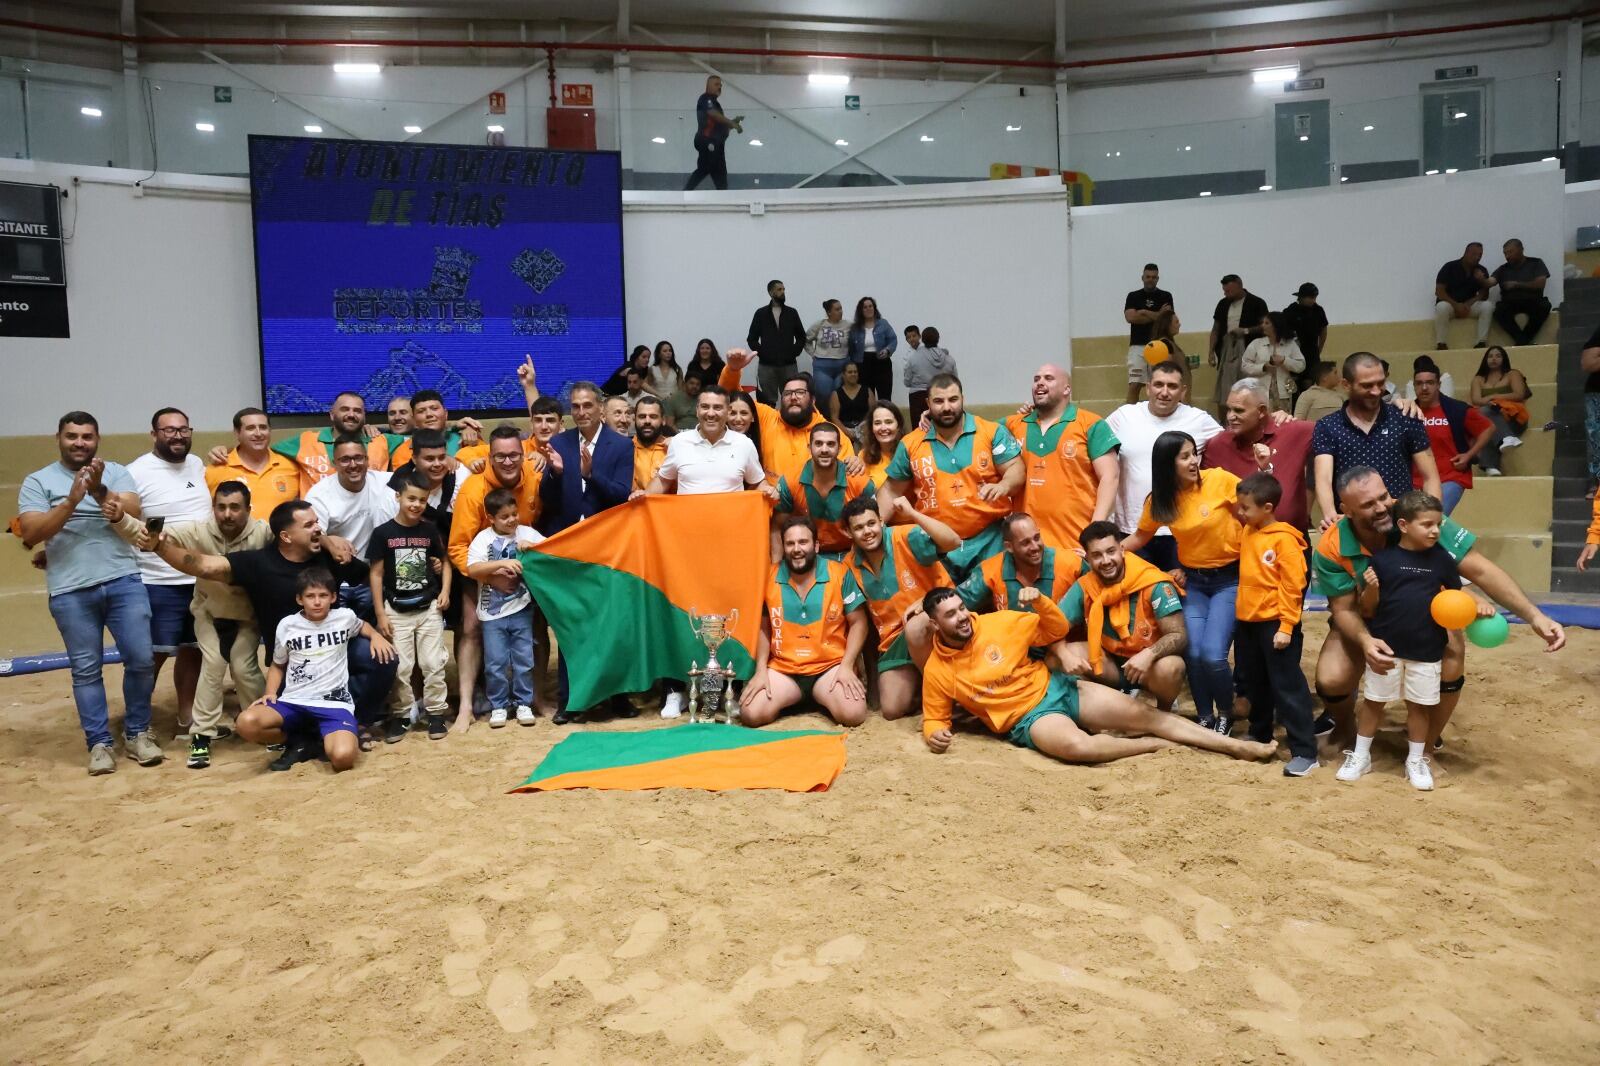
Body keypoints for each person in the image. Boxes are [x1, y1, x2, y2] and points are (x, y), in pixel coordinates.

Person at [1311, 465, 1565, 754]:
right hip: (1367, 618)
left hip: (1424, 616)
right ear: (1346, 510)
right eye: (1368, 505)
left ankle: (1426, 748)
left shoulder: (1419, 516)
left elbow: (1481, 570)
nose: (1381, 508)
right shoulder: (1332, 545)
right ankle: (1345, 727)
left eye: (1383, 496)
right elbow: (1344, 610)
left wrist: (1535, 616)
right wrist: (1366, 641)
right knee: (1331, 679)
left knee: (1452, 656)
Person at [151, 500, 399, 768]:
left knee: (382, 657)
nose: (318, 529)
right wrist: (159, 546)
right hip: (291, 668)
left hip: (337, 649)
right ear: (286, 536)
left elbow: (372, 577)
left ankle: (356, 722)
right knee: (254, 721)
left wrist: (378, 624)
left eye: (317, 522)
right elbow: (203, 566)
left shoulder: (329, 557)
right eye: (309, 525)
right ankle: (306, 738)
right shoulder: (259, 563)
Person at [919, 586, 1275, 764]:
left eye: (961, 608)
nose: (962, 617)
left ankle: (1238, 747)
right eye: (950, 615)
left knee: (1147, 715)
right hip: (1029, 718)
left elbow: (1057, 628)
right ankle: (1153, 745)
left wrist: (1040, 601)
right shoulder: (937, 670)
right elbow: (935, 717)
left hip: (1059, 688)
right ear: (935, 625)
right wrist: (935, 734)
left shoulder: (999, 622)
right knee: (1079, 747)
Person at [18, 412, 158, 774]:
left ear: (97, 439)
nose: (79, 442)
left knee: (142, 659)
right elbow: (30, 533)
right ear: (58, 438)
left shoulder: (116, 472)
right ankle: (99, 743)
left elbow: (134, 510)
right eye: (72, 436)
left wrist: (98, 490)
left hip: (124, 581)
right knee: (86, 670)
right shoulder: (38, 481)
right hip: (70, 590)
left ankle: (138, 733)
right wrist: (70, 501)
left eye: (86, 436)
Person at [1341, 490, 1493, 791]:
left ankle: (1416, 760)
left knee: (1419, 706)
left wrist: (1477, 603)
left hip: (1427, 649)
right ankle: (1360, 756)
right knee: (1374, 702)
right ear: (1403, 525)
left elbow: (1455, 596)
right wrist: (1371, 588)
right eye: (1427, 525)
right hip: (1386, 648)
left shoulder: (1442, 561)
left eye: (1438, 524)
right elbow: (1368, 609)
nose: (1435, 531)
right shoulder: (1382, 560)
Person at [135, 480, 270, 769]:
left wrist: (327, 541)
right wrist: (134, 527)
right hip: (208, 613)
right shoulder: (198, 530)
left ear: (248, 509)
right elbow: (154, 535)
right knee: (213, 665)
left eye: (235, 507)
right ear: (213, 508)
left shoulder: (264, 532)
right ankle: (201, 736)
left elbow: (295, 538)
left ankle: (263, 724)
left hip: (247, 618)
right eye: (221, 507)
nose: (227, 514)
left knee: (244, 668)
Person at [1122, 432, 1243, 731]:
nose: (1194, 461)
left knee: (1213, 655)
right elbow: (1140, 537)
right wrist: (1106, 552)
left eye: (1194, 453)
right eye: (1184, 456)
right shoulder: (1161, 500)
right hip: (1195, 584)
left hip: (1229, 579)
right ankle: (1205, 716)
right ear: (1167, 463)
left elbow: (1254, 513)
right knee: (1193, 653)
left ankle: (1226, 712)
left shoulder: (1220, 480)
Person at [238, 568, 394, 774]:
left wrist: (375, 636)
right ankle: (299, 741)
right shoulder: (287, 625)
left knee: (343, 758)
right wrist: (270, 693)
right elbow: (278, 664)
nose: (317, 602)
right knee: (246, 723)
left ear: (333, 597)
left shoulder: (344, 617)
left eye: (323, 595)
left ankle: (323, 738)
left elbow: (362, 625)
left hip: (333, 704)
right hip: (294, 701)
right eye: (310, 596)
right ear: (299, 599)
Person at [450, 425, 548, 729]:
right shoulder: (472, 490)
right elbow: (457, 547)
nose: (508, 462)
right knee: (470, 627)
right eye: (500, 456)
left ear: (523, 454)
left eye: (514, 455)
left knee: (537, 626)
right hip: (479, 566)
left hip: (523, 569)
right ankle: (466, 706)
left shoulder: (534, 476)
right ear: (489, 457)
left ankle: (536, 697)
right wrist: (490, 577)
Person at [880, 373, 1024, 577]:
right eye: (939, 401)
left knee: (995, 595)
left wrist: (1004, 485)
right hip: (937, 545)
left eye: (953, 399)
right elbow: (890, 491)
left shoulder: (991, 432)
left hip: (990, 541)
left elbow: (1016, 467)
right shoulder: (910, 444)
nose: (947, 407)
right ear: (928, 404)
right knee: (941, 598)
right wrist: (875, 524)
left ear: (963, 399)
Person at [740, 516, 871, 727]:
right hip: (785, 669)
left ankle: (819, 697)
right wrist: (761, 670)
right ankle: (798, 698)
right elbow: (764, 628)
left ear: (816, 546)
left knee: (853, 714)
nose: (796, 549)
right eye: (790, 543)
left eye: (803, 542)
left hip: (829, 667)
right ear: (784, 547)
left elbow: (859, 623)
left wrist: (847, 666)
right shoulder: (769, 577)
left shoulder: (839, 573)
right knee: (751, 714)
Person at [127, 406, 212, 732]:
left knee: (193, 650)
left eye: (183, 429)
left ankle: (186, 715)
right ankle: (137, 723)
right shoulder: (136, 472)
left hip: (200, 579)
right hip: (157, 581)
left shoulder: (197, 464)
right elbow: (123, 524)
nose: (178, 436)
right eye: (169, 430)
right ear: (154, 434)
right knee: (151, 656)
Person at [839, 495, 961, 720]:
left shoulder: (904, 536)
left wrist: (913, 514)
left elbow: (953, 541)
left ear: (881, 521)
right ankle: (926, 687)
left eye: (871, 523)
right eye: (858, 528)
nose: (867, 531)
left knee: (916, 625)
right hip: (893, 639)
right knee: (891, 710)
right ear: (848, 533)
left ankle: (940, 694)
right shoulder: (849, 564)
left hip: (933, 621)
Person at [1232, 472, 1317, 776]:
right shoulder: (1248, 532)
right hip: (1248, 622)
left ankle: (1305, 751)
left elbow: (1293, 587)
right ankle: (1259, 733)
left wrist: (1286, 627)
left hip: (1276, 625)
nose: (1240, 512)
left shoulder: (1285, 540)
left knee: (1287, 687)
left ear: (1267, 507)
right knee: (1256, 682)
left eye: (1246, 508)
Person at [1105, 360, 1224, 570]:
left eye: (1172, 386)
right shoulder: (1123, 416)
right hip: (1132, 528)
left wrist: (1278, 420)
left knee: (1178, 589)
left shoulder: (1199, 420)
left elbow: (1234, 443)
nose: (1164, 392)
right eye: (1159, 384)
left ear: (1183, 391)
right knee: (1138, 590)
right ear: (1148, 387)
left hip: (1180, 529)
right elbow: (1089, 443)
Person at [1058, 522, 1188, 713]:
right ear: (1088, 559)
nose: (1106, 560)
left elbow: (1179, 635)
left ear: (1122, 549)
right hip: (1110, 663)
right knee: (1059, 658)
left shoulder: (1153, 582)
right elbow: (1054, 627)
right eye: (1097, 555)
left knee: (1172, 667)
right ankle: (1103, 708)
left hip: (1149, 667)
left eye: (1111, 551)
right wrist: (1063, 654)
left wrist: (1149, 654)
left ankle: (1164, 711)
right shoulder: (1085, 586)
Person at [369, 471, 452, 743]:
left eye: (422, 500)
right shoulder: (383, 533)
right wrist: (380, 614)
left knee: (433, 663)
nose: (416, 505)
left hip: (428, 607)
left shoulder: (429, 531)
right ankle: (402, 715)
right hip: (395, 609)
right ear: (398, 497)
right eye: (411, 499)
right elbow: (376, 574)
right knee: (401, 667)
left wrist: (445, 591)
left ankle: (436, 713)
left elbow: (445, 562)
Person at [1313, 352, 1441, 527]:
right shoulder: (1328, 426)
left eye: (1380, 383)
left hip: (1401, 525)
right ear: (1346, 385)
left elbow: (1430, 477)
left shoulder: (1406, 418)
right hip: (1354, 526)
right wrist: (1330, 516)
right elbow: (1323, 479)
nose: (1376, 391)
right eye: (1367, 385)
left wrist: (1432, 519)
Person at [1006, 363, 1120, 552]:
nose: (1040, 382)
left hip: (1074, 543)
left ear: (1067, 389)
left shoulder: (1091, 424)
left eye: (1048, 378)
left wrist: (1094, 535)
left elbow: (1110, 478)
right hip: (1028, 547)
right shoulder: (1012, 424)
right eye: (1036, 379)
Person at [465, 489, 545, 729]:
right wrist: (501, 563)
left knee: (524, 659)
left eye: (514, 514)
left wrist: (532, 546)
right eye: (504, 517)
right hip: (492, 615)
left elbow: (551, 549)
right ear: (491, 518)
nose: (512, 520)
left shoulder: (526, 532)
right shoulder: (483, 539)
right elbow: (473, 569)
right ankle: (499, 705)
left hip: (522, 610)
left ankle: (523, 703)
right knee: (495, 662)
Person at [718, 352, 857, 488]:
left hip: (812, 501)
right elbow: (730, 398)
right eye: (787, 393)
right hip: (769, 498)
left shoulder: (831, 433)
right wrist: (733, 370)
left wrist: (854, 463)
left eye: (800, 392)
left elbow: (844, 480)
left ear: (813, 400)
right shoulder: (767, 418)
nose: (793, 397)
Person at [1204, 378, 1314, 534]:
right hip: (1239, 543)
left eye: (1239, 410)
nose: (1230, 416)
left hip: (1291, 541)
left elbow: (1336, 432)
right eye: (1229, 409)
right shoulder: (1217, 445)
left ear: (1262, 411)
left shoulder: (1293, 431)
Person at [541, 380, 633, 534]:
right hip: (564, 532)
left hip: (605, 531)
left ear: (601, 408)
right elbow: (546, 498)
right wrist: (555, 473)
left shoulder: (622, 445)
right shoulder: (558, 443)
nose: (581, 412)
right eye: (576, 406)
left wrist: (591, 476)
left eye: (587, 405)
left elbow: (622, 495)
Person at [1410, 357, 1496, 513]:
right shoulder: (1407, 413)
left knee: (1433, 515)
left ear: (1438, 385)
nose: (1424, 388)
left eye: (1430, 383)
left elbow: (1488, 428)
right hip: (1415, 480)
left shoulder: (1457, 409)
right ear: (1414, 386)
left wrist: (1469, 455)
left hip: (1450, 476)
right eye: (1419, 383)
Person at [270, 392, 399, 496]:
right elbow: (264, 449)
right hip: (317, 516)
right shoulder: (306, 441)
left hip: (368, 515)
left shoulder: (381, 440)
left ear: (364, 417)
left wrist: (381, 428)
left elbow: (411, 439)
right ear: (332, 415)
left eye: (357, 411)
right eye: (345, 409)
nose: (351, 414)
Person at [774, 423, 875, 556]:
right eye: (818, 443)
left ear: (839, 449)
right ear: (809, 448)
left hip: (851, 552)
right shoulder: (790, 481)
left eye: (831, 444)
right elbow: (777, 527)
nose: (824, 449)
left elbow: (875, 527)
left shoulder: (858, 481)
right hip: (807, 554)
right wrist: (777, 566)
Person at [649, 384, 767, 497]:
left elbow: (757, 482)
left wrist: (769, 490)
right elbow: (663, 480)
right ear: (697, 410)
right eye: (705, 407)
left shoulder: (745, 444)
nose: (710, 413)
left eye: (717, 407)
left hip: (731, 512)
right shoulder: (679, 442)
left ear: (728, 411)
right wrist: (644, 496)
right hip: (688, 512)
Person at [305, 436, 400, 574]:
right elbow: (312, 532)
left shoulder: (388, 482)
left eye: (358, 458)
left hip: (382, 569)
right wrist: (330, 543)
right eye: (345, 459)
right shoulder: (319, 494)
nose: (353, 464)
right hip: (341, 569)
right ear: (334, 463)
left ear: (367, 460)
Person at [956, 512, 1085, 613]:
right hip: (1013, 637)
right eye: (1025, 543)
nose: (1035, 546)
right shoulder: (990, 570)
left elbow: (1095, 591)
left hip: (1063, 637)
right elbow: (954, 604)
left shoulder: (1071, 563)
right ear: (1009, 547)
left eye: (1037, 538)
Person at [206, 407, 299, 520]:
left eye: (263, 427)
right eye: (250, 428)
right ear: (237, 433)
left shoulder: (291, 466)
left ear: (270, 431)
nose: (258, 433)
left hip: (280, 532)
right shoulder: (215, 469)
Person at [1207, 274, 1269, 420]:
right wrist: (1211, 351)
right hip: (1227, 350)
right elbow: (1216, 329)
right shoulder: (1223, 304)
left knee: (1247, 387)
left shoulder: (1257, 302)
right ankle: (1224, 422)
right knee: (1225, 389)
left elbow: (1264, 326)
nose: (1226, 294)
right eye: (1225, 291)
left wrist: (1245, 331)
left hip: (1248, 348)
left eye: (1229, 291)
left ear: (1240, 286)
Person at [1468, 345, 1530, 474]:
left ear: (1504, 358)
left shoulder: (1513, 374)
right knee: (1485, 417)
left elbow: (1519, 394)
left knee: (1485, 415)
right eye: (1490, 356)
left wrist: (1495, 396)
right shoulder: (1478, 379)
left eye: (1498, 356)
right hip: (1489, 418)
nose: (1494, 359)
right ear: (1485, 359)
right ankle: (1492, 466)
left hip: (1513, 418)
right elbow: (1476, 400)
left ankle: (1490, 463)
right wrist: (1489, 402)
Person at [745, 280, 808, 405]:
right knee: (768, 401)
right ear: (771, 292)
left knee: (792, 399)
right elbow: (751, 339)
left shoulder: (791, 313)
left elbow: (801, 336)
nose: (783, 292)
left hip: (789, 365)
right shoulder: (761, 314)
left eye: (783, 289)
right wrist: (763, 353)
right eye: (779, 289)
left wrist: (794, 352)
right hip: (767, 366)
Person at [1124, 263, 1175, 404]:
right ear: (1142, 278)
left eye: (1153, 277)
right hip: (1137, 346)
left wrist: (1144, 312)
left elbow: (1167, 319)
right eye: (1148, 277)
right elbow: (1131, 317)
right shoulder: (1133, 296)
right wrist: (1158, 314)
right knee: (1134, 384)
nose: (1150, 279)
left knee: (1159, 383)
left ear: (1157, 279)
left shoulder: (1166, 296)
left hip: (1160, 345)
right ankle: (1130, 415)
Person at [390, 389, 482, 466]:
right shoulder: (403, 451)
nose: (429, 414)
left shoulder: (468, 438)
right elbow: (404, 481)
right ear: (414, 420)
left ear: (445, 414)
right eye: (421, 411)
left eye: (434, 408)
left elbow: (487, 470)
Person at [684, 74, 743, 191]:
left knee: (717, 171)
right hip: (708, 141)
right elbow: (713, 114)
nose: (719, 87)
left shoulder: (716, 104)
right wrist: (731, 123)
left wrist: (732, 123)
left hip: (717, 144)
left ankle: (722, 195)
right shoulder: (706, 99)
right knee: (707, 168)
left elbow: (718, 124)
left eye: (720, 85)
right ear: (708, 86)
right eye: (716, 84)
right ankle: (686, 193)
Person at [1240, 311, 1305, 414]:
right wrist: (1263, 367)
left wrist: (1284, 360)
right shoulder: (1256, 344)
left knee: (1282, 420)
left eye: (1267, 323)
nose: (1263, 326)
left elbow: (1301, 365)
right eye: (1263, 323)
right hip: (1261, 392)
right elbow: (1244, 365)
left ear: (1276, 325)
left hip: (1283, 393)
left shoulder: (1290, 344)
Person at [1489, 238, 1551, 346]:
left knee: (1544, 306)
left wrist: (1516, 284)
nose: (1507, 256)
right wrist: (1481, 279)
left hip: (1533, 300)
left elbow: (1540, 284)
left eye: (1510, 252)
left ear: (1521, 249)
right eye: (1505, 253)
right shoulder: (1503, 268)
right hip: (1510, 302)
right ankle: (1523, 341)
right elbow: (1490, 282)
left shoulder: (1536, 263)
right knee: (1499, 311)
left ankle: (1521, 341)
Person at [1433, 242, 1494, 349]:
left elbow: (1484, 295)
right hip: (1451, 306)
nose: (1477, 257)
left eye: (1480, 255)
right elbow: (1439, 291)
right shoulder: (1449, 267)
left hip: (1469, 307)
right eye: (1474, 254)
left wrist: (1481, 281)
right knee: (1441, 307)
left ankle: (1481, 342)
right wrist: (1456, 305)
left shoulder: (1481, 270)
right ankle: (1441, 343)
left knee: (1488, 306)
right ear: (1466, 253)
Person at [901, 325, 957, 427]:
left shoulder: (913, 358)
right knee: (942, 428)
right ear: (938, 339)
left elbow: (907, 382)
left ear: (922, 338)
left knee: (919, 430)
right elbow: (955, 382)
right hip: (942, 396)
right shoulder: (949, 359)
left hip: (918, 397)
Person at [847, 296, 898, 403]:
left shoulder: (883, 323)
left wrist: (887, 350)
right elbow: (850, 348)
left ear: (874, 308)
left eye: (870, 306)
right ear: (861, 310)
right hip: (862, 364)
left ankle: (885, 413)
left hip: (882, 362)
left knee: (885, 397)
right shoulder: (855, 328)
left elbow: (893, 340)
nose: (868, 309)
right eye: (865, 307)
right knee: (866, 397)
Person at [1281, 282, 1329, 395]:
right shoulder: (1290, 311)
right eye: (1310, 298)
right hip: (1293, 352)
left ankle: (1307, 402)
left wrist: (1319, 349)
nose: (1313, 300)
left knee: (1309, 384)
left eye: (1314, 298)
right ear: (1301, 297)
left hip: (1311, 352)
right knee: (1291, 386)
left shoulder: (1318, 310)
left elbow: (1323, 330)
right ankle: (1292, 403)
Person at [805, 299, 852, 409]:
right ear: (829, 312)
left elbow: (857, 340)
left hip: (842, 366)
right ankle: (824, 417)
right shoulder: (820, 324)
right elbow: (806, 340)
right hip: (822, 366)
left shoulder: (848, 325)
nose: (840, 311)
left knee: (840, 395)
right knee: (823, 395)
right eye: (837, 309)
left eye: (841, 309)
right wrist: (813, 354)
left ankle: (838, 418)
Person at [859, 401, 906, 488]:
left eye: (888, 422)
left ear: (898, 426)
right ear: (872, 428)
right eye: (877, 423)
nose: (883, 428)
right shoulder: (864, 455)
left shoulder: (909, 453)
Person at [631, 396, 671, 492]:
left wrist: (677, 445)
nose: (647, 421)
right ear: (634, 419)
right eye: (642, 416)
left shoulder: (673, 448)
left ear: (663, 420)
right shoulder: (626, 448)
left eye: (653, 417)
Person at [828, 361, 874, 442]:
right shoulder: (836, 394)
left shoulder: (867, 391)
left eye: (855, 372)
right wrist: (848, 433)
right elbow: (834, 418)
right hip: (845, 430)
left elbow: (873, 412)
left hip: (865, 430)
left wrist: (865, 428)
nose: (853, 374)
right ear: (843, 375)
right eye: (850, 372)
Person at [725, 391, 765, 465]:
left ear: (752, 417)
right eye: (733, 413)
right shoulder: (716, 445)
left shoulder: (763, 447)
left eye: (744, 413)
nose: (738, 419)